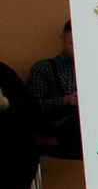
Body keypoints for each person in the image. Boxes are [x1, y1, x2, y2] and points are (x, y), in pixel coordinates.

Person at [27, 20, 77, 153]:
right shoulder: (44, 68)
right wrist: (64, 100)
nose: (76, 48)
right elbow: (33, 106)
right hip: (61, 123)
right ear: (63, 38)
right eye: (71, 43)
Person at [0, 54, 35, 189]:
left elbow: (25, 105)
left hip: (7, 133)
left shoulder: (3, 72)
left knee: (22, 145)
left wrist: (5, 102)